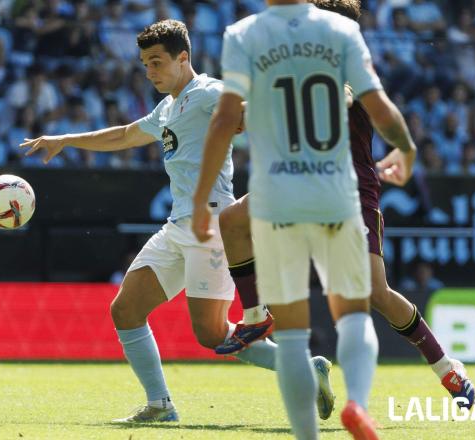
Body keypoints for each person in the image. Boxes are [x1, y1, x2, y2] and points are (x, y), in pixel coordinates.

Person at [20, 19, 330, 424]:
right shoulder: (168, 106)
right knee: (125, 309)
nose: (149, 72)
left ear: (183, 58)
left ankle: (307, 369)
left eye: (156, 62)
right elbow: (127, 135)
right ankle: (160, 405)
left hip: (213, 227)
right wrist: (66, 140)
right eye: (145, 64)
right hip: (177, 226)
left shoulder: (207, 93)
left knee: (213, 335)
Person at [192, 1, 417, 438]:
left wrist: (203, 200)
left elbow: (223, 122)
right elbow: (380, 106)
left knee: (293, 336)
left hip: (278, 196)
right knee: (353, 315)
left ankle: (306, 435)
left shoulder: (243, 35)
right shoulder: (339, 31)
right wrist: (406, 150)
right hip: (335, 191)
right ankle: (358, 403)